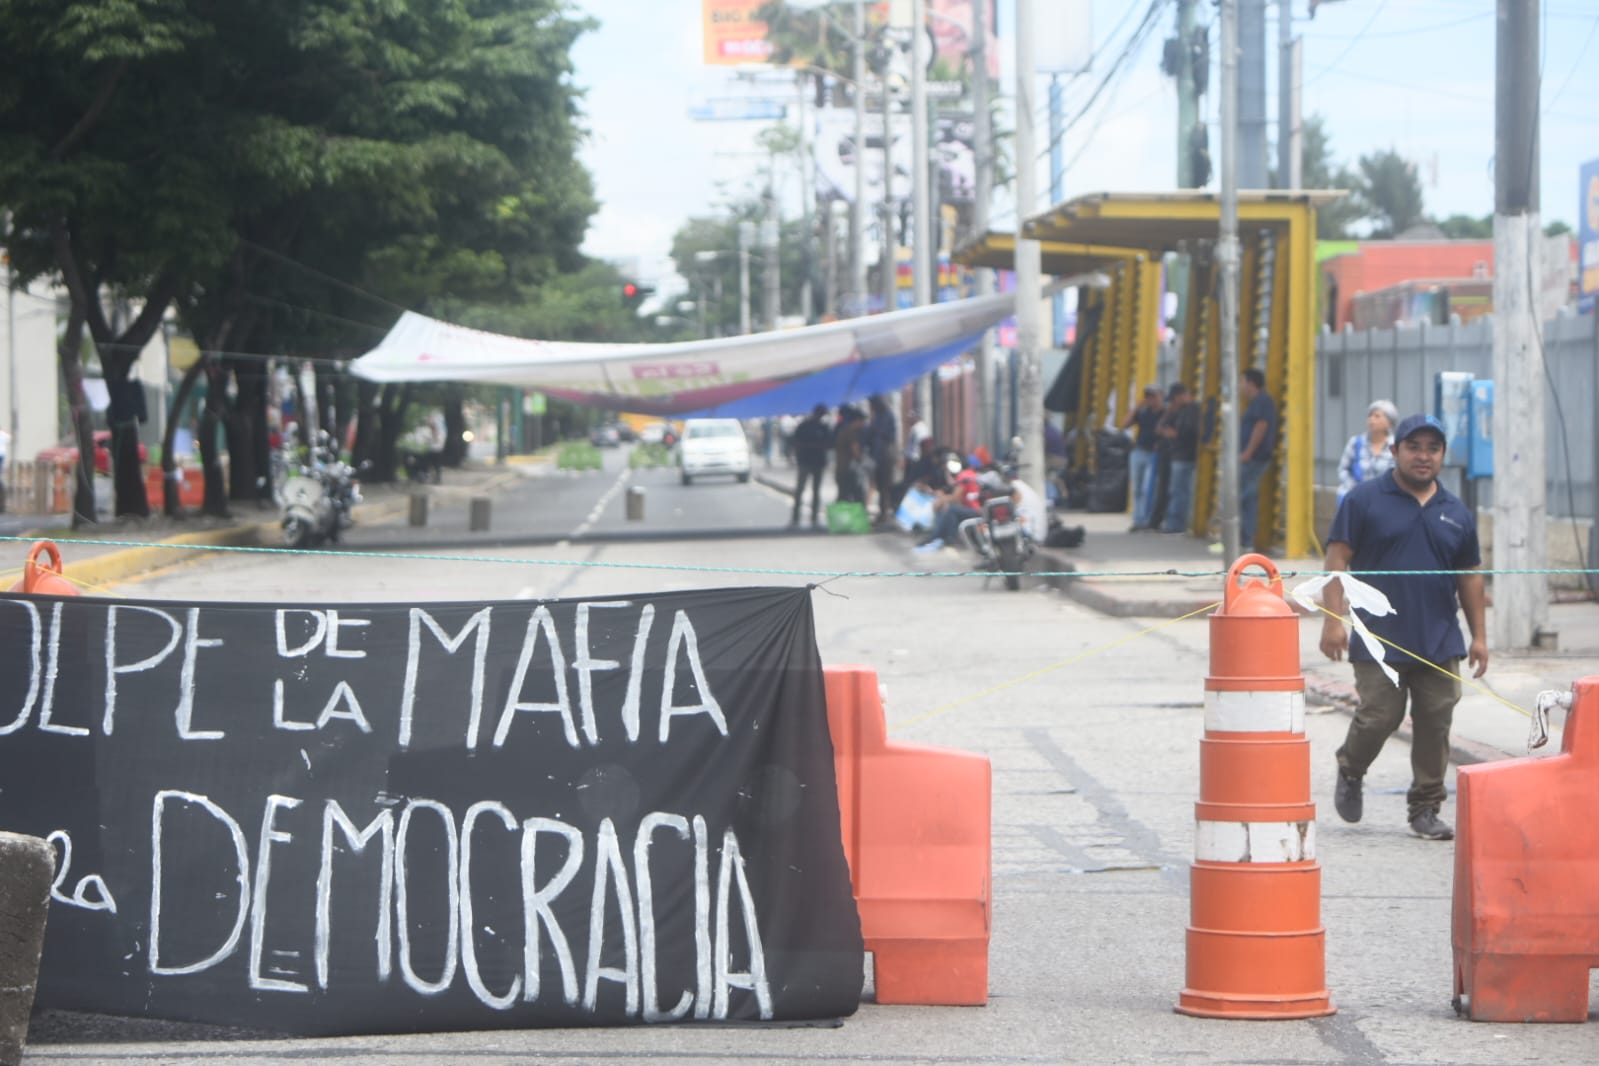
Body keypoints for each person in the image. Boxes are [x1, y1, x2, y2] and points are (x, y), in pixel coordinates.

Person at [1319, 413, 1488, 842]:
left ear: (1442, 456)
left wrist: (1480, 637)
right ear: (1395, 452)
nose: (1423, 456)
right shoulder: (1362, 500)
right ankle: (1351, 768)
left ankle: (1426, 806)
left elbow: (1469, 576)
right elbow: (1337, 560)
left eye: (1432, 448)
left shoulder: (1456, 513)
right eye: (1414, 447)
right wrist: (1333, 622)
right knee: (1380, 716)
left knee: (1436, 717)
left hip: (1439, 638)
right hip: (1378, 638)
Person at [1237, 368, 1278, 550]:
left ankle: (1246, 541)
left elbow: (1261, 426)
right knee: (1245, 498)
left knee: (1245, 498)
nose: (1240, 386)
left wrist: (1248, 452)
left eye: (1242, 382)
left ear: (1251, 383)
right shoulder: (1255, 402)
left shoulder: (1262, 402)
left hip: (1254, 459)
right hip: (1252, 458)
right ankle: (1243, 540)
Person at [1156, 383, 1200, 534]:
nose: (1172, 404)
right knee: (1177, 491)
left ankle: (1176, 525)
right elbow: (1160, 426)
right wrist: (1170, 411)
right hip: (1179, 456)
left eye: (1174, 400)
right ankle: (1174, 523)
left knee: (1179, 492)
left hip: (1184, 456)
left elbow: (1189, 433)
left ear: (1180, 396)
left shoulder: (1192, 410)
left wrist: (1175, 434)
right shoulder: (1181, 410)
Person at [1337, 399, 1398, 503]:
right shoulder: (1355, 443)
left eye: (1377, 416)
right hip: (1357, 499)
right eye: (1370, 416)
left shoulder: (1396, 446)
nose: (1371, 419)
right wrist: (1354, 488)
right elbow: (1343, 469)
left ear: (1389, 423)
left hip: (1385, 500)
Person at [1122, 384, 1163, 530]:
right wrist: (1136, 408)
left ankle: (1147, 519)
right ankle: (1138, 520)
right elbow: (1124, 424)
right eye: (1148, 397)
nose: (1151, 400)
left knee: (1148, 488)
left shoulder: (1165, 412)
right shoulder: (1143, 412)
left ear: (1161, 396)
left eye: (1154, 396)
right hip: (1139, 451)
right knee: (1137, 488)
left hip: (1154, 454)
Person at [789, 404, 832, 528]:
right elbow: (796, 442)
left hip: (816, 462)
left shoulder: (823, 427)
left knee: (814, 490)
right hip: (805, 461)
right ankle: (797, 516)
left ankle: (812, 517)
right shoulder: (805, 426)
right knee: (801, 489)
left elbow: (829, 443)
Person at [866, 395, 899, 524]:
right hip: (877, 456)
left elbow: (888, 434)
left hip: (886, 455)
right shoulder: (876, 417)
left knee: (886, 485)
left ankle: (886, 513)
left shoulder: (887, 416)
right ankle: (882, 512)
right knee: (879, 484)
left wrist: (876, 430)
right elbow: (869, 435)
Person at [832, 406, 865, 504]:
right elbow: (856, 451)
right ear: (857, 420)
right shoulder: (851, 432)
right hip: (848, 471)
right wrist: (862, 461)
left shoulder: (843, 430)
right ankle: (857, 518)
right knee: (857, 497)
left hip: (841, 469)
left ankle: (842, 518)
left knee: (843, 498)